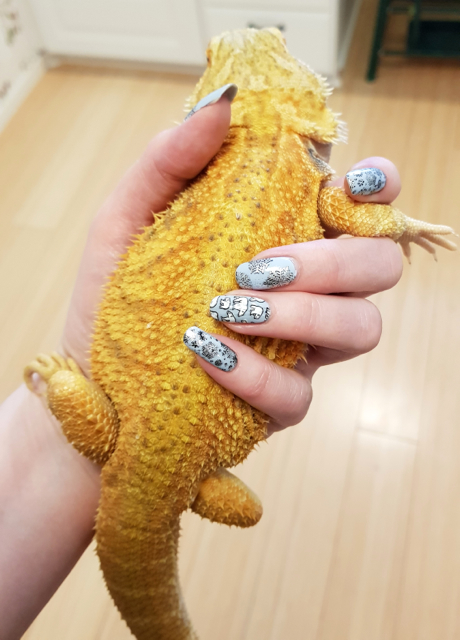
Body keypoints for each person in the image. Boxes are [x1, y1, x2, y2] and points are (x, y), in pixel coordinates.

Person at [0, 91, 403, 639]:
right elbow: (249, 513)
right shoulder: (290, 171)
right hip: (159, 452)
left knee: (66, 386)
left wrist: (61, 390)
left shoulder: (284, 166)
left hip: (120, 433)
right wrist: (400, 224)